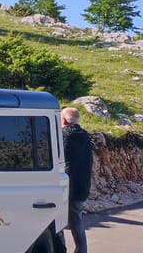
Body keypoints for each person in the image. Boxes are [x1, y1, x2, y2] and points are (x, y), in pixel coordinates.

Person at [61, 107, 93, 253]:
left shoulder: (63, 136)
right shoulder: (85, 136)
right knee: (76, 221)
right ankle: (81, 250)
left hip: (65, 184)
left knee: (56, 221)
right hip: (82, 184)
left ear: (63, 119)